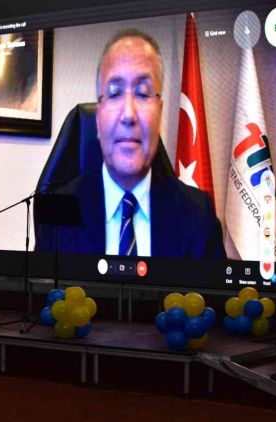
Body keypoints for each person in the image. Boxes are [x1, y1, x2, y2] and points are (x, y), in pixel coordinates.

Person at [35, 29, 225, 259]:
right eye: (114, 93)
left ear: (160, 113)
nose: (128, 114)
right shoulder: (59, 210)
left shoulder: (199, 214)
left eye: (143, 93)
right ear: (98, 118)